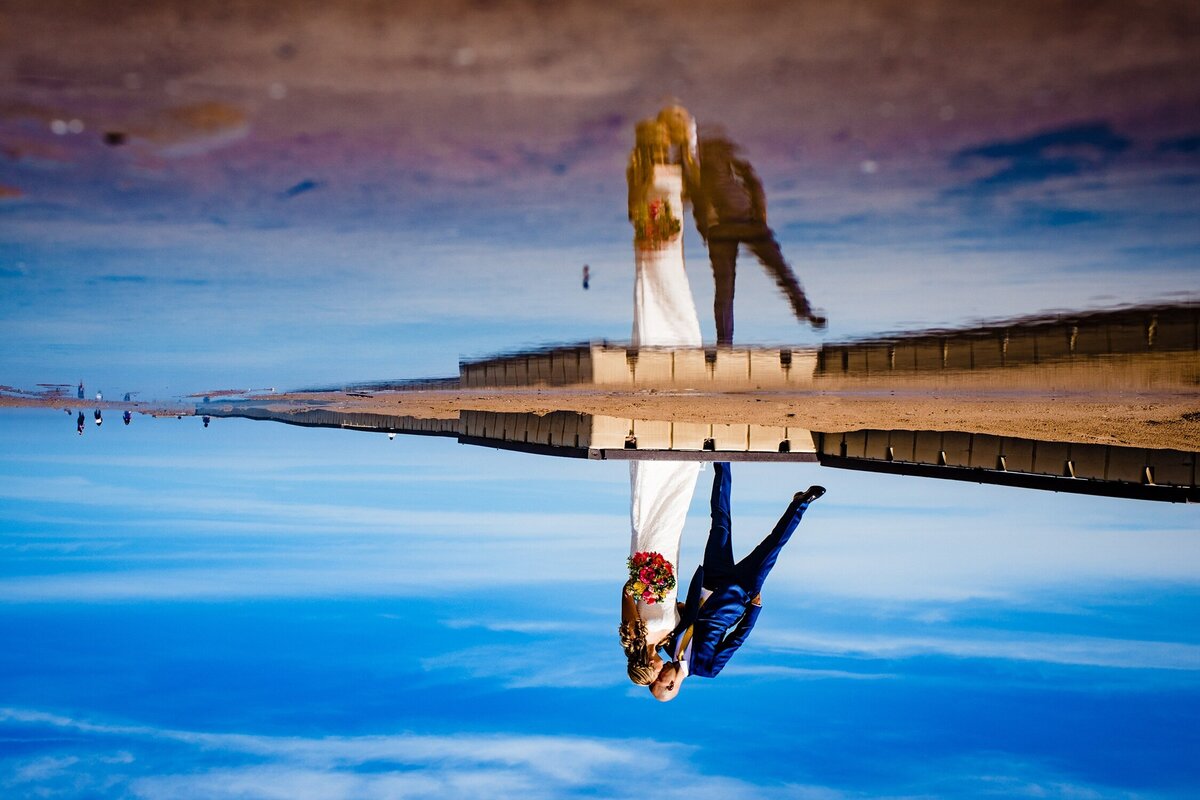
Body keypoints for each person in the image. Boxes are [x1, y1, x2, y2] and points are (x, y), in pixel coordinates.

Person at [620, 111, 705, 684]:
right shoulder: (660, 634)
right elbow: (691, 634)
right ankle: (659, 174)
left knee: (677, 328)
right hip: (659, 535)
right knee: (679, 473)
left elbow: (633, 584)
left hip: (655, 537)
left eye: (656, 675)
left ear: (644, 663)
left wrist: (648, 577)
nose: (663, 671)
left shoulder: (644, 629)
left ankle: (664, 175)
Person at [648, 462, 826, 701]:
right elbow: (736, 640)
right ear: (670, 686)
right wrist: (754, 609)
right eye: (660, 677)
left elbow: (675, 615)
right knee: (772, 547)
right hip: (739, 595)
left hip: (709, 579)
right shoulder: (708, 669)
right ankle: (801, 503)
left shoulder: (667, 645)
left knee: (720, 521)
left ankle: (722, 461)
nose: (660, 671)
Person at [689, 130, 826, 345]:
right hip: (736, 227)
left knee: (729, 288)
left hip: (735, 227)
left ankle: (725, 341)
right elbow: (752, 184)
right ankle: (803, 310)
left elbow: (702, 203)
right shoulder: (714, 169)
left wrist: (707, 229)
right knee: (775, 272)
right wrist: (757, 214)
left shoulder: (712, 168)